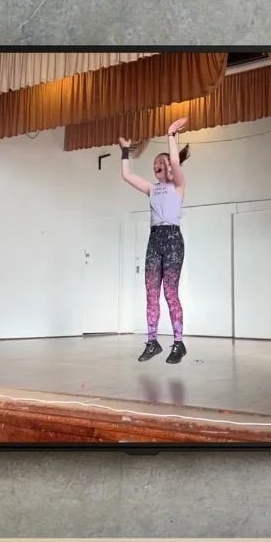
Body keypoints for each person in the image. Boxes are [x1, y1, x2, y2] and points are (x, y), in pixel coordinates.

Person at [119, 117, 190, 363]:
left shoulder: (178, 185)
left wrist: (171, 135)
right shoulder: (151, 188)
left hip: (172, 239)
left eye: (161, 162)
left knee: (170, 293)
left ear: (171, 167)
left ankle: (178, 343)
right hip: (155, 240)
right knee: (151, 293)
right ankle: (152, 342)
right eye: (154, 163)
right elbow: (126, 175)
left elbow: (173, 160)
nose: (157, 165)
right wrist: (125, 151)